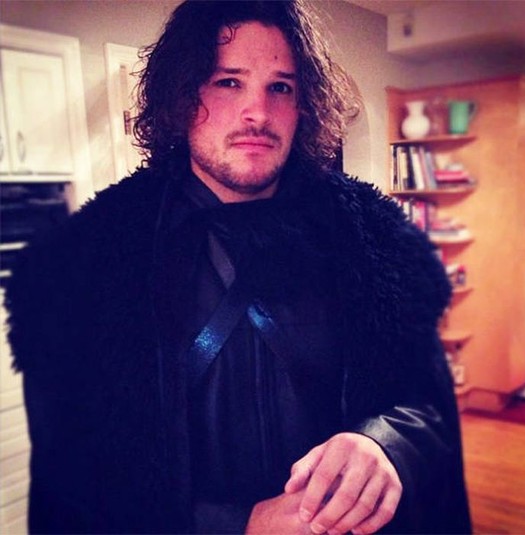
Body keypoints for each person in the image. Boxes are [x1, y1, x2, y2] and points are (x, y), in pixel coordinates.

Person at [5, 1, 471, 534]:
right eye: (229, 82)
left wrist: (384, 444)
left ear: (304, 106)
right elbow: (72, 467)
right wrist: (236, 524)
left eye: (281, 87)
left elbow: (426, 403)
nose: (258, 113)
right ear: (183, 96)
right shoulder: (87, 261)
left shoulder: (376, 239)